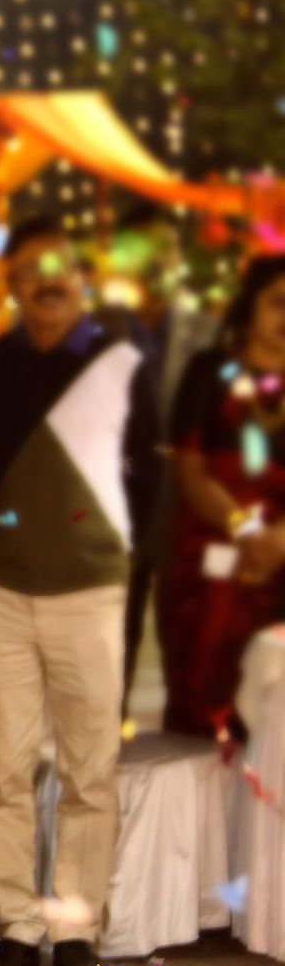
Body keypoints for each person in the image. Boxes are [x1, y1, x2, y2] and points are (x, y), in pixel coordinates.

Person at [0, 215, 158, 966]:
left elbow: (150, 476)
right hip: (2, 592)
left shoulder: (120, 365)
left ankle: (76, 931)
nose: (47, 280)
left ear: (81, 279)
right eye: (30, 266)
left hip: (94, 594)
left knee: (88, 773)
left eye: (59, 267)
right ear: (10, 279)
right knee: (0, 772)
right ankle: (15, 926)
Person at [159, 255, 285, 739]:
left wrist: (278, 541)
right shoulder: (210, 371)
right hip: (214, 563)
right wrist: (251, 531)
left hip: (281, 561)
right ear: (249, 305)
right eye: (277, 302)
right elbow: (190, 472)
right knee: (208, 705)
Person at [101, 206, 220, 703]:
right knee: (110, 648)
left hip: (187, 509)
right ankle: (107, 756)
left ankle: (188, 754)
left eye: (167, 249)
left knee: (189, 644)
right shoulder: (99, 330)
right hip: (113, 508)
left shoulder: (209, 332)